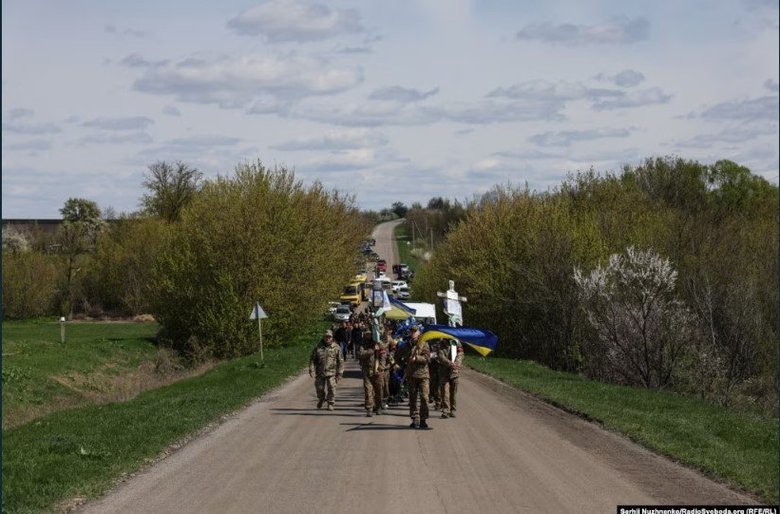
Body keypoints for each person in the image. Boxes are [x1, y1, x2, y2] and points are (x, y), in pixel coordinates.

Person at [309, 330, 344, 411]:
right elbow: (312, 359)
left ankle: (330, 403)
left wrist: (340, 373)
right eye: (326, 337)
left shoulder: (336, 347)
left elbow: (341, 361)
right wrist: (311, 369)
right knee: (319, 388)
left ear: (332, 338)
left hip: (332, 372)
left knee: (331, 388)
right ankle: (321, 399)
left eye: (329, 337)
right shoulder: (318, 347)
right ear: (323, 337)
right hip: (320, 372)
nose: (327, 339)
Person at [405, 326, 431, 429]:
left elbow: (427, 358)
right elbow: (401, 355)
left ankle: (423, 419)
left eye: (415, 331)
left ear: (419, 332)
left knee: (424, 397)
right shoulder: (407, 344)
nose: (413, 333)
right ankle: (415, 419)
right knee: (413, 399)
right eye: (411, 331)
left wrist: (417, 358)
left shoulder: (424, 343)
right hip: (411, 375)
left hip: (423, 375)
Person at [358, 331, 383, 417]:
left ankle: (378, 406)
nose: (368, 335)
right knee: (368, 390)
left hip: (377, 371)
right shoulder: (362, 344)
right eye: (366, 334)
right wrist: (372, 350)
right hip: (367, 370)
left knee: (378, 390)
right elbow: (361, 354)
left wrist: (381, 367)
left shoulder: (378, 342)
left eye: (370, 334)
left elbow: (383, 355)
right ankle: (369, 408)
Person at [438, 338, 464, 418]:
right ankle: (446, 411)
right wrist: (450, 363)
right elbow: (440, 356)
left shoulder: (456, 342)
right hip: (444, 372)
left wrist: (456, 364)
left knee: (453, 392)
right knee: (444, 392)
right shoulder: (441, 343)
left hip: (454, 373)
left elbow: (461, 354)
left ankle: (452, 410)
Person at [428, 339, 441, 409]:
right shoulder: (430, 341)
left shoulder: (447, 341)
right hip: (433, 366)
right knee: (434, 384)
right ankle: (438, 402)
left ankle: (442, 402)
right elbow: (428, 353)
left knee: (442, 385)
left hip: (443, 366)